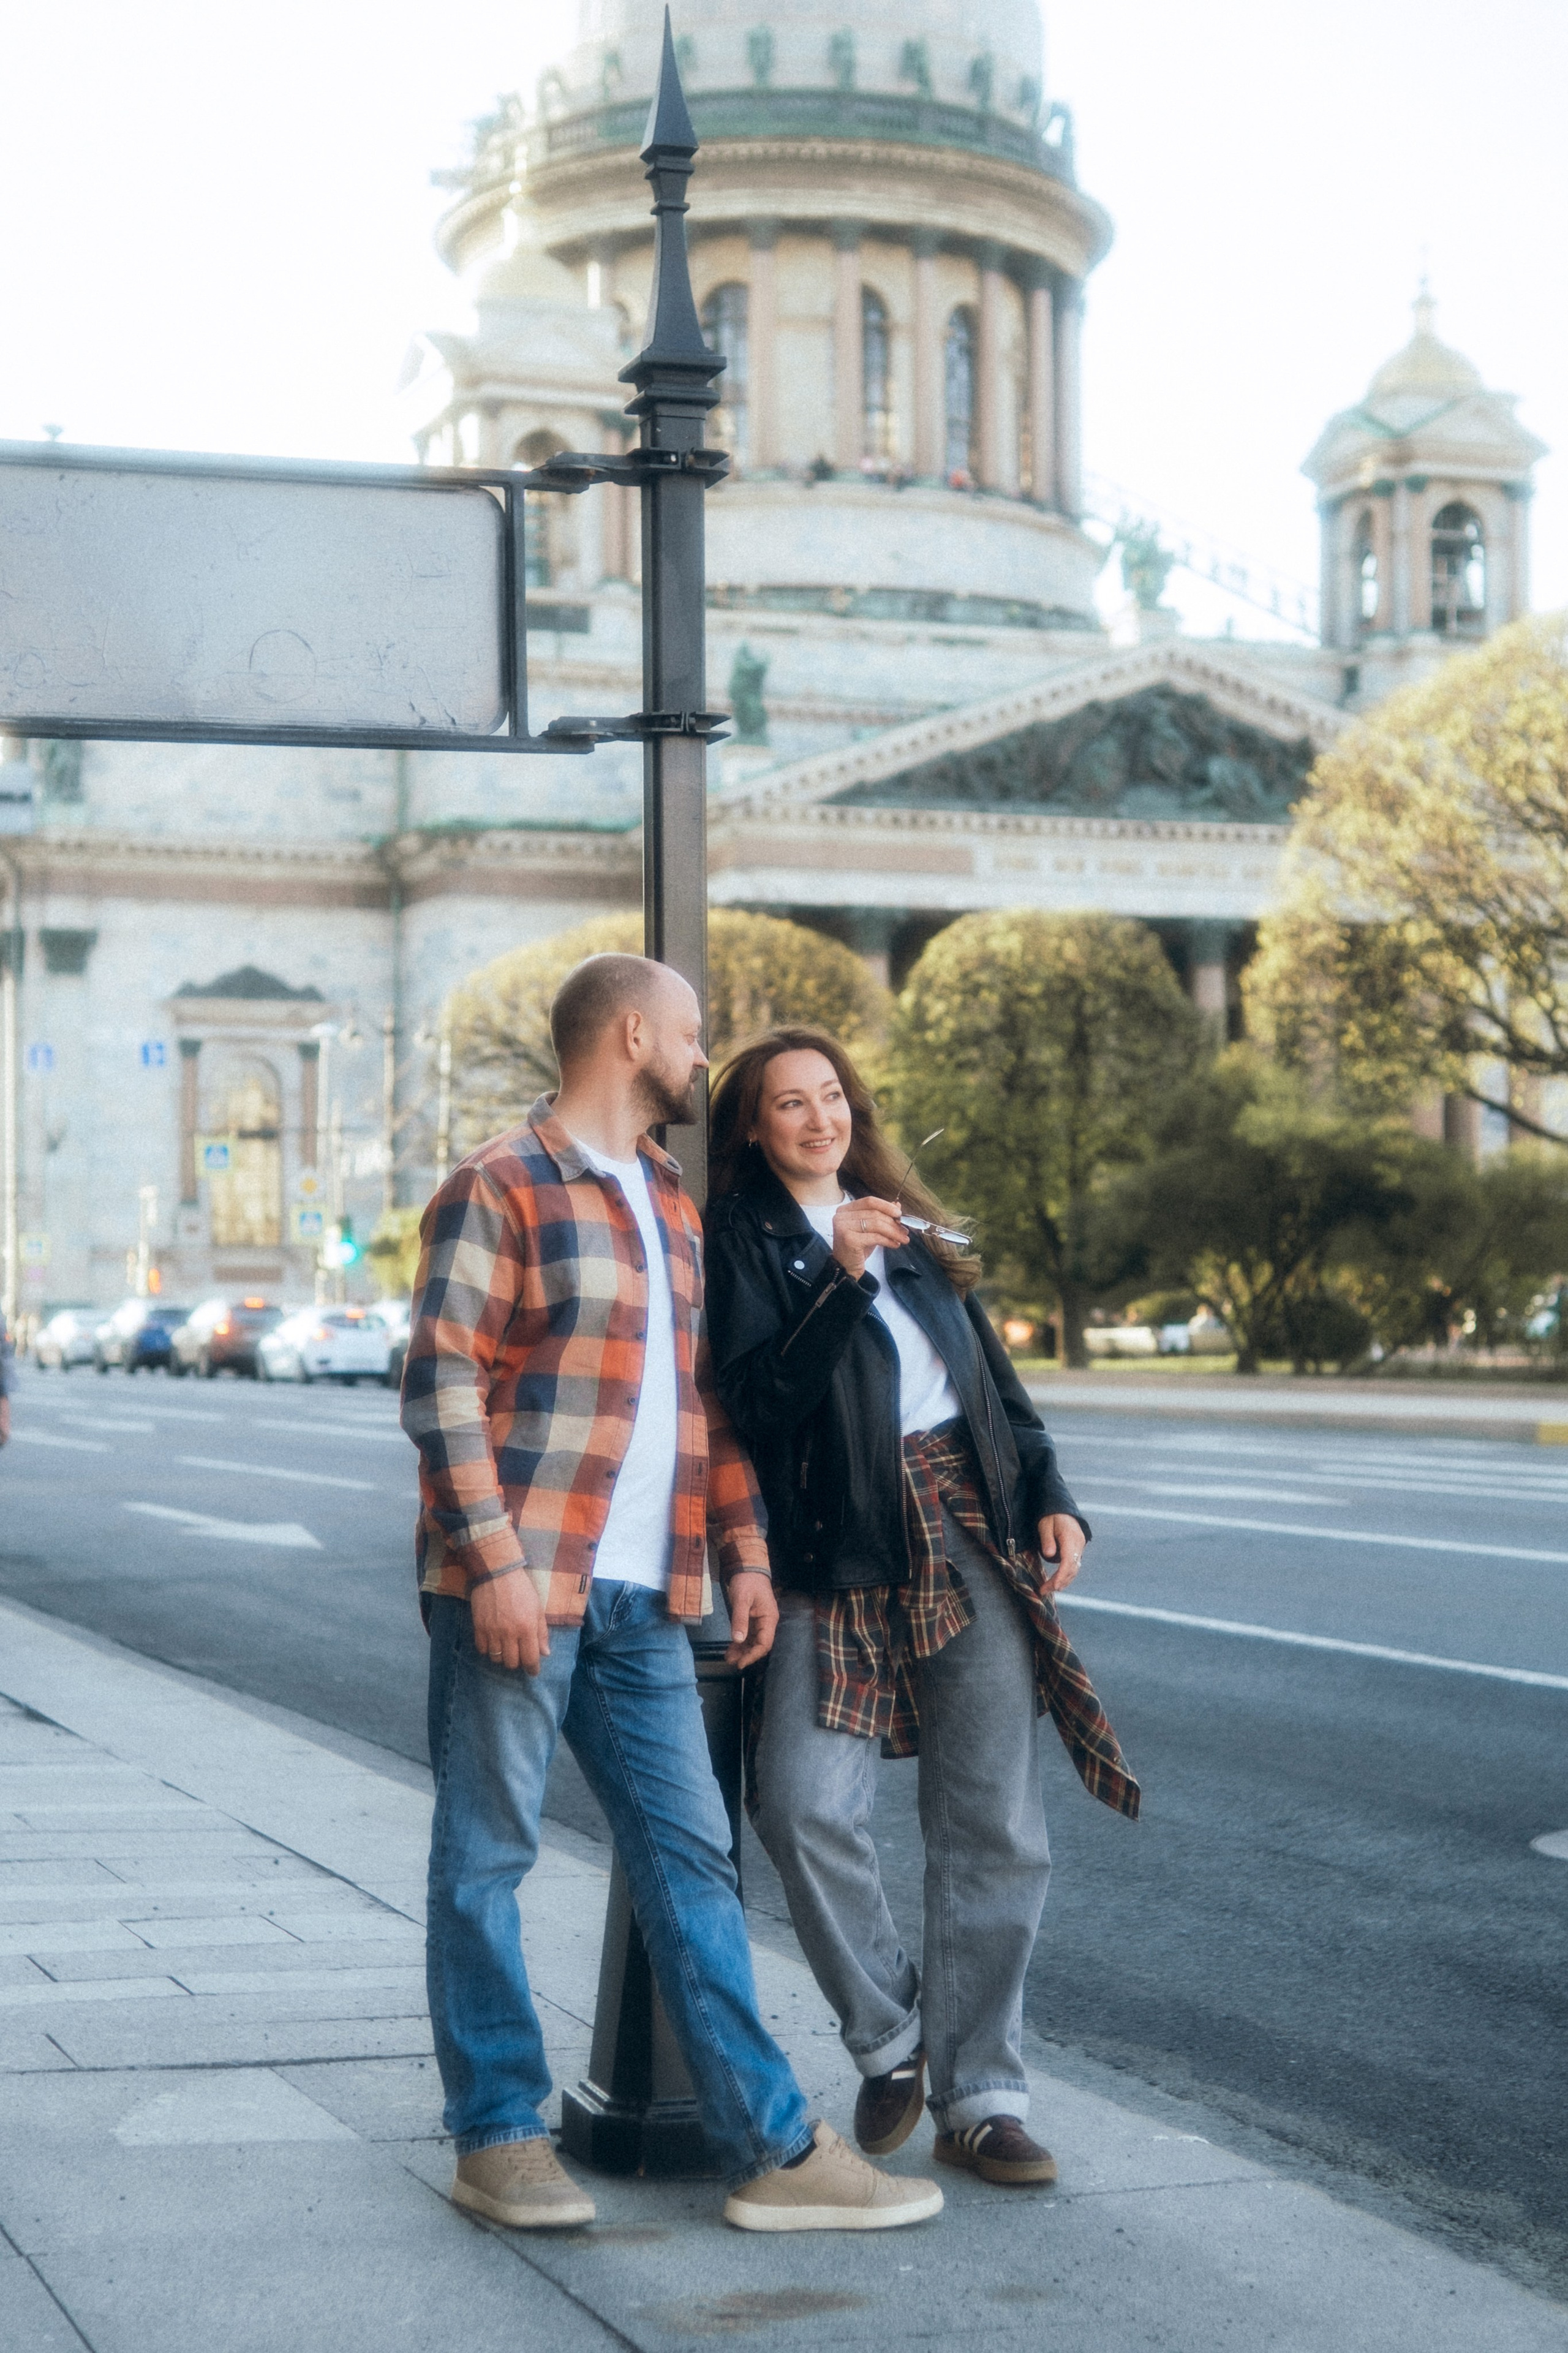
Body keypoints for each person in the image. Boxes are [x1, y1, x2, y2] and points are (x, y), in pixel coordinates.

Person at [401, 957, 942, 2235]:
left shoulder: (669, 1200)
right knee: (486, 1858)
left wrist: (742, 1554)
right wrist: (494, 1566)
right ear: (632, 1034)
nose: (705, 1058)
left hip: (651, 1600)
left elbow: (701, 1407)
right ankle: (497, 2135)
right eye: (692, 1036)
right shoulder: (499, 1182)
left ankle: (776, 2145)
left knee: (693, 1866)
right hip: (522, 1583)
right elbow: (440, 1388)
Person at [704, 1026, 1140, 2189]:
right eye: (788, 1103)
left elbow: (992, 1382)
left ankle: (983, 2095)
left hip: (964, 1525)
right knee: (799, 1803)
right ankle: (894, 2037)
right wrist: (834, 1277)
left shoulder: (905, 1218)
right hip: (827, 1551)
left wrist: (1052, 1492)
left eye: (831, 1096)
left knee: (995, 1822)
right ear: (751, 1127)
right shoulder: (741, 1240)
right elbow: (759, 1402)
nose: (817, 1119)